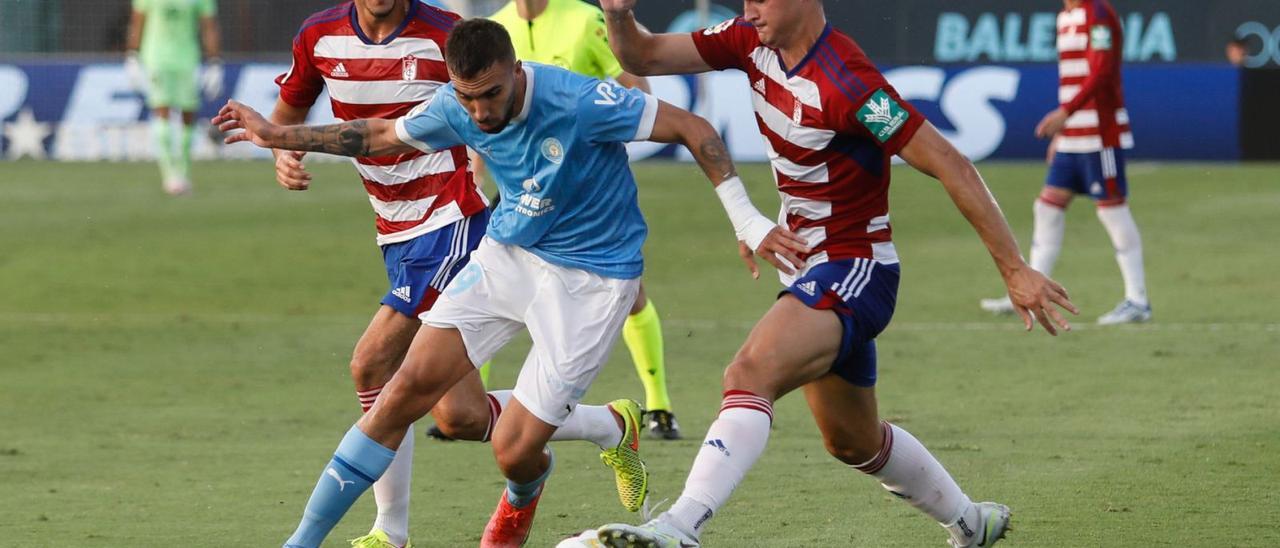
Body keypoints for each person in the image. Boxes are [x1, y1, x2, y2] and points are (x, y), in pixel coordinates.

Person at [213, 18, 806, 548]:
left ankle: (531, 493)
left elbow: (694, 127)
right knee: (402, 393)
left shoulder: (579, 101)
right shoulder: (456, 105)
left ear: (516, 73)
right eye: (468, 99)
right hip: (508, 255)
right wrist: (275, 135)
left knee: (514, 451)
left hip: (593, 282)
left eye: (492, 94)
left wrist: (748, 221)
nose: (481, 113)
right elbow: (373, 136)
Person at [588, 0, 1078, 546]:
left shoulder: (849, 84)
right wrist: (618, 13)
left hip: (857, 267)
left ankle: (678, 526)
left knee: (749, 373)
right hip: (806, 270)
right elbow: (645, 55)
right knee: (853, 441)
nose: (749, 8)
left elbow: (949, 162)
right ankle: (970, 523)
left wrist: (1014, 270)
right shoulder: (749, 39)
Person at [269, 2, 650, 546]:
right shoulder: (319, 34)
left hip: (452, 220)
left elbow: (516, 99)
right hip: (393, 229)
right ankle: (610, 425)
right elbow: (290, 113)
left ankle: (386, 531)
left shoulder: (448, 32)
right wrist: (283, 151)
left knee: (373, 366)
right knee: (460, 417)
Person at [486, 0, 682, 440]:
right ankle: (474, 401)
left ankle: (658, 404)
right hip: (520, 185)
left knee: (630, 293)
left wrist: (594, 153)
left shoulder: (583, 20)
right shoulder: (493, 29)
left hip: (581, 189)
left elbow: (637, 92)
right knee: (491, 279)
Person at [981, 0, 1150, 325]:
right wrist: (1064, 131)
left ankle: (1138, 300)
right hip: (1073, 136)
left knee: (1112, 212)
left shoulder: (1099, 14)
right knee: (1047, 208)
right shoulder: (1065, 17)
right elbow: (1076, 77)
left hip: (1100, 133)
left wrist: (1065, 113)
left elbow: (1102, 71)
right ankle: (1030, 291)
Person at [125, 0, 223, 195]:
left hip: (187, 60)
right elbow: (137, 21)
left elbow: (208, 26)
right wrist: (132, 55)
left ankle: (184, 172)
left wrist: (214, 61)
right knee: (162, 111)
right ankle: (169, 174)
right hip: (156, 59)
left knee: (189, 116)